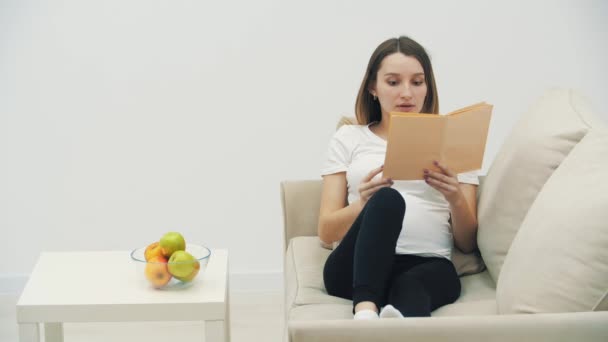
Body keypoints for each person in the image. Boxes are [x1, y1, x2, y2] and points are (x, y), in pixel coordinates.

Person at [319, 36, 479, 320]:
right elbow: (326, 232)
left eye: (417, 82)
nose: (407, 93)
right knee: (387, 199)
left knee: (411, 289)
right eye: (393, 82)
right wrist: (363, 205)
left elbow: (467, 243)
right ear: (373, 87)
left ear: (427, 87)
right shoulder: (349, 137)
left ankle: (399, 321)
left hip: (427, 264)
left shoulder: (453, 142)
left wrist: (454, 197)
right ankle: (365, 311)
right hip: (355, 268)